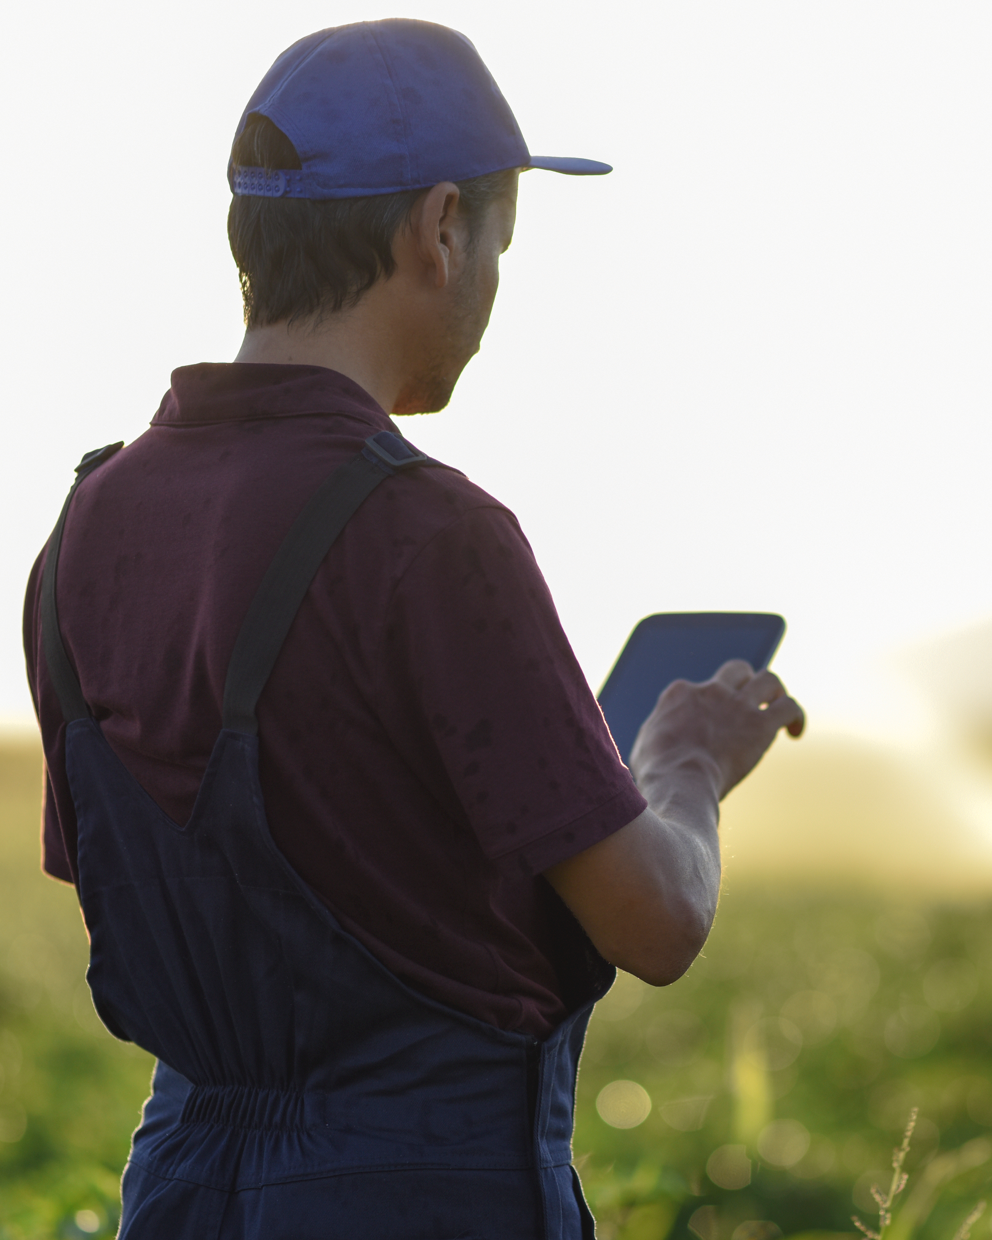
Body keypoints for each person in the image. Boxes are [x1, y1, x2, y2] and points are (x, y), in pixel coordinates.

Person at [22, 18, 804, 1239]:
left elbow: (165, 882)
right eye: (501, 233)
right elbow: (653, 924)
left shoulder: (81, 530)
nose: (494, 276)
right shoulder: (433, 534)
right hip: (418, 1191)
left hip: (175, 1187)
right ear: (441, 227)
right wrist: (685, 759)